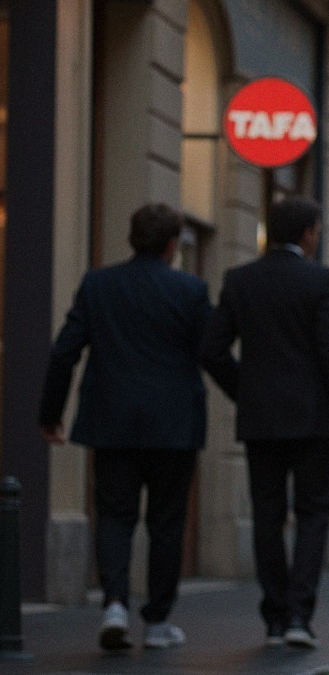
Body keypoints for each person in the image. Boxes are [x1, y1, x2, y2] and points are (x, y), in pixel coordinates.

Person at [38, 203, 211, 652]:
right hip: (173, 426)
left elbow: (64, 351)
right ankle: (156, 620)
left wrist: (50, 413)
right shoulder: (189, 290)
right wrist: (249, 398)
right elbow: (210, 353)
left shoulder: (98, 285)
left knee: (114, 514)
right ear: (173, 245)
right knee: (167, 522)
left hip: (111, 420)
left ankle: (114, 603)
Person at [201, 197, 329, 650]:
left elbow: (212, 350)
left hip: (261, 421)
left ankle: (274, 617)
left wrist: (246, 391)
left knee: (267, 515)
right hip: (314, 420)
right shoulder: (320, 280)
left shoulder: (240, 280)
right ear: (309, 233)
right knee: (314, 514)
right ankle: (298, 615)